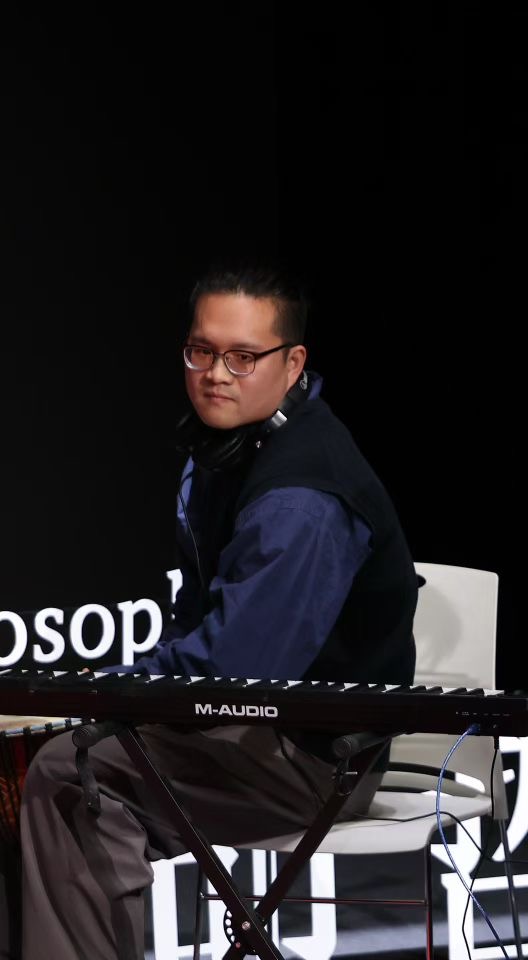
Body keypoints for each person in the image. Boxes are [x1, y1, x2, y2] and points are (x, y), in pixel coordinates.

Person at [4, 263, 418, 959]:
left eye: (242, 357)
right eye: (201, 351)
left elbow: (233, 675)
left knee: (71, 775)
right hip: (253, 729)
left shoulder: (302, 498)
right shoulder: (226, 447)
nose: (216, 375)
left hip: (314, 761)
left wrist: (98, 693)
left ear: (293, 364)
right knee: (33, 770)